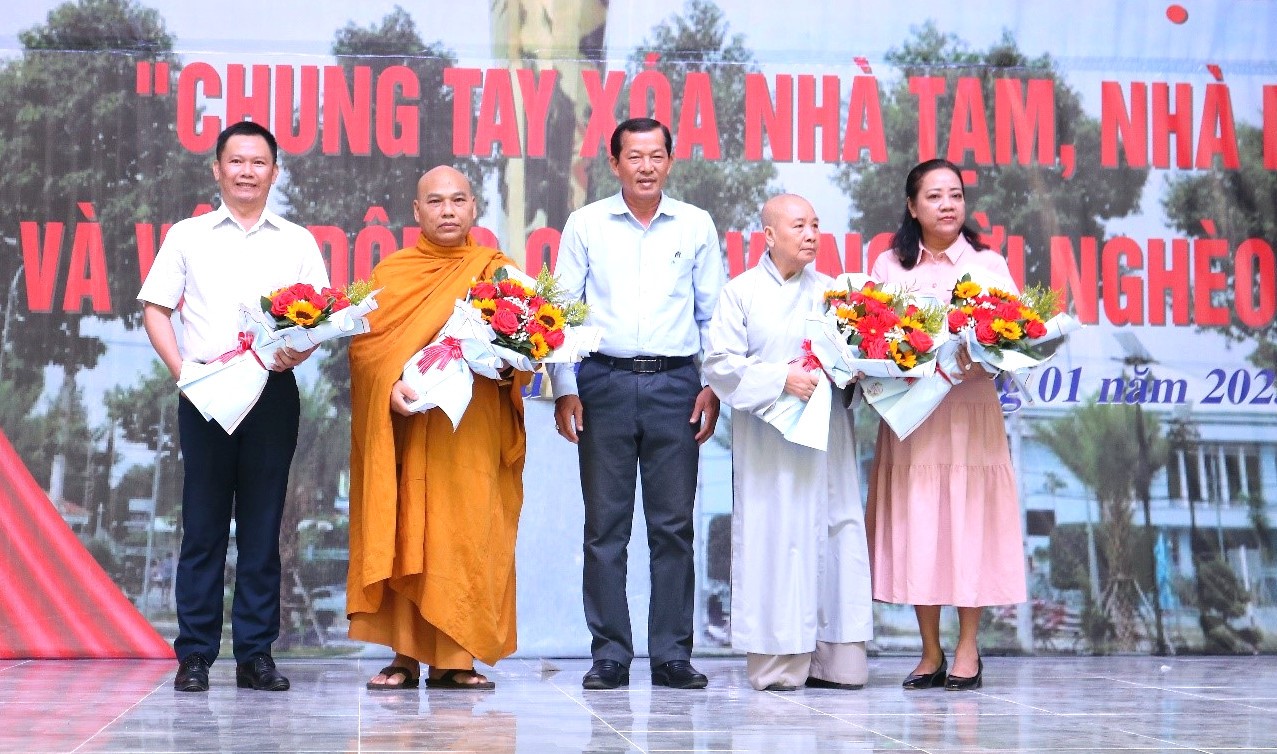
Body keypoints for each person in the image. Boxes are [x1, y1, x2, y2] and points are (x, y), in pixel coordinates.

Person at [139, 120, 329, 692]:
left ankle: (255, 656)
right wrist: (183, 373)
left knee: (262, 528)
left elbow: (319, 318)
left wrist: (298, 351)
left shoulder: (296, 241)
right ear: (217, 169)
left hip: (271, 391)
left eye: (258, 162)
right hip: (206, 392)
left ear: (275, 171)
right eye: (237, 161)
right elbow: (155, 308)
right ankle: (195, 655)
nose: (247, 172)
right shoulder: (188, 235)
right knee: (202, 528)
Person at [549, 117, 725, 690]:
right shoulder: (586, 224)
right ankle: (609, 654)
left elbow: (712, 315)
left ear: (670, 161)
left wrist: (712, 383)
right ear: (614, 162)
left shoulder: (696, 224)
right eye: (634, 157)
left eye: (656, 156)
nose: (646, 167)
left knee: (673, 527)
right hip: (604, 382)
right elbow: (561, 313)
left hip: (677, 386)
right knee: (605, 528)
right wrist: (565, 387)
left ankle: (672, 654)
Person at [346, 166, 529, 691]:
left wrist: (506, 363)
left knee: (464, 535)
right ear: (416, 211)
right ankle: (403, 656)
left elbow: (526, 351)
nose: (447, 210)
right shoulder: (393, 273)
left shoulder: (498, 273)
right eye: (435, 201)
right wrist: (386, 388)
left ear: (474, 208)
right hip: (411, 426)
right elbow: (366, 353)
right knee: (408, 530)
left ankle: (456, 659)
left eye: (457, 200)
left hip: (471, 430)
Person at [866, 158, 1028, 691]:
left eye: (955, 195)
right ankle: (930, 650)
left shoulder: (987, 264)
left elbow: (1015, 338)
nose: (947, 205)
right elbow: (871, 335)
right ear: (912, 207)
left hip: (969, 411)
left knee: (968, 523)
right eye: (934, 196)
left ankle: (967, 647)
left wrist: (988, 352)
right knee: (923, 525)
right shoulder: (889, 266)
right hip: (913, 413)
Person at [703, 194, 873, 692]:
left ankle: (837, 659)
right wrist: (782, 379)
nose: (811, 234)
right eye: (799, 225)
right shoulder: (741, 293)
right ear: (769, 235)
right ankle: (779, 663)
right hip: (770, 446)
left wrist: (856, 372)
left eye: (815, 225)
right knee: (775, 535)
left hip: (828, 441)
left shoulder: (835, 295)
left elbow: (858, 362)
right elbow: (720, 364)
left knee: (837, 527)